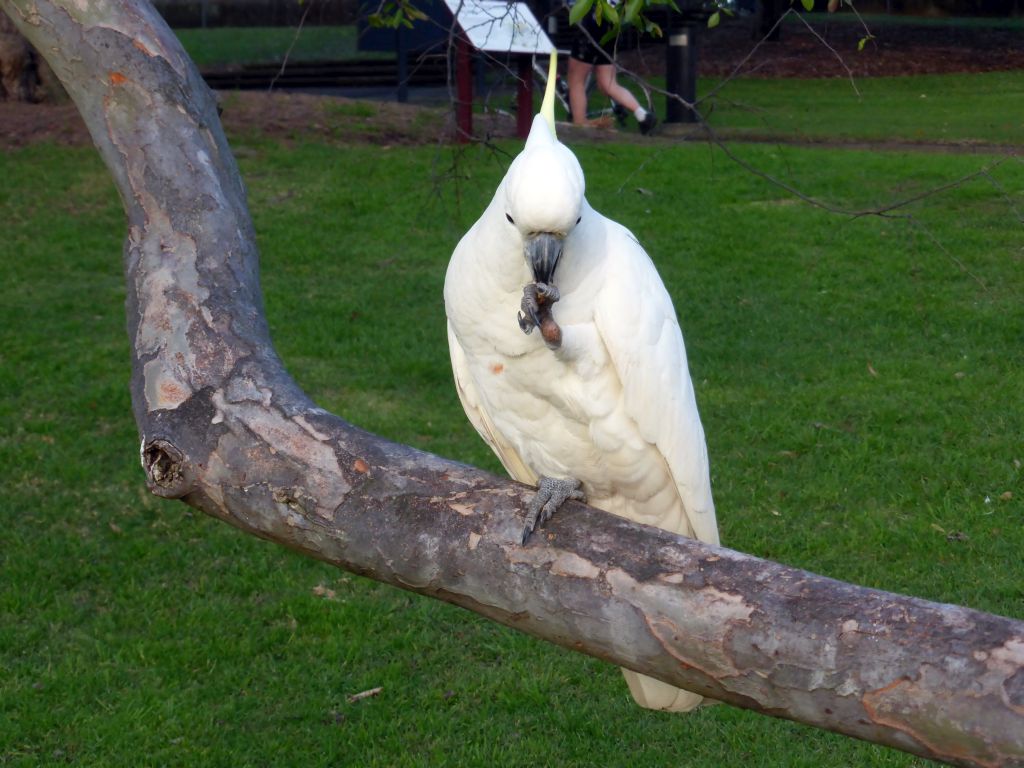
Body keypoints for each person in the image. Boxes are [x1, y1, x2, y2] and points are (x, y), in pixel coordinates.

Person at [567, 2, 656, 135]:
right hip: (613, 24)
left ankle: (580, 124)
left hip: (594, 20)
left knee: (576, 80)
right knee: (607, 83)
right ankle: (642, 114)